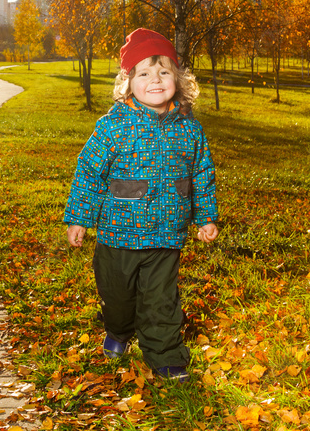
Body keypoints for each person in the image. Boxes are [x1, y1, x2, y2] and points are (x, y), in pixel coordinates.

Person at [64, 28, 219, 382]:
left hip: (167, 235)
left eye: (164, 72)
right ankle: (119, 329)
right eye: (144, 73)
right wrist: (79, 218)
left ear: (178, 80)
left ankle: (165, 355)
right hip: (118, 236)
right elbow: (89, 174)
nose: (155, 80)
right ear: (128, 81)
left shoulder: (190, 129)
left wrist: (205, 216)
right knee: (118, 299)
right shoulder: (111, 128)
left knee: (161, 301)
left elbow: (201, 174)